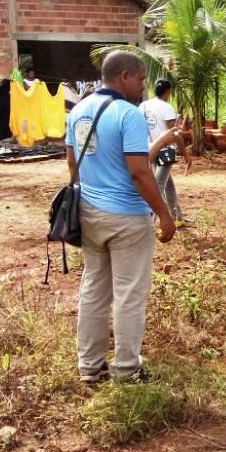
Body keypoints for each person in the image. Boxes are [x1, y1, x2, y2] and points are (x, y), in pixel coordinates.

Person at [65, 51, 177, 384]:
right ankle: (127, 369)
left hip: (89, 212)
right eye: (141, 79)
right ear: (125, 76)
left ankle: (90, 366)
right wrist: (165, 215)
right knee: (129, 294)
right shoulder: (129, 114)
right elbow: (140, 172)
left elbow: (71, 163)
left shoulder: (79, 110)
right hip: (127, 218)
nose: (144, 86)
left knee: (94, 289)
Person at [139, 79, 190, 226]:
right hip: (166, 150)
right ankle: (150, 222)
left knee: (168, 184)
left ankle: (177, 217)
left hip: (149, 148)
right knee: (158, 186)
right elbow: (174, 133)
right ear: (167, 92)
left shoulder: (144, 105)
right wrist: (185, 153)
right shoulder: (166, 107)